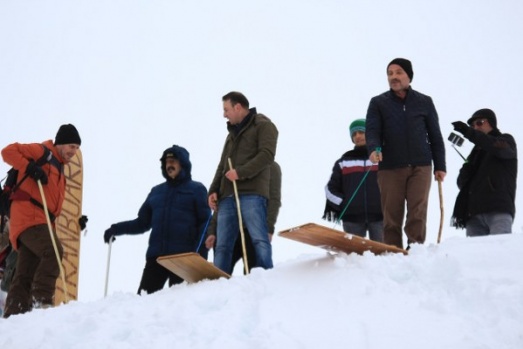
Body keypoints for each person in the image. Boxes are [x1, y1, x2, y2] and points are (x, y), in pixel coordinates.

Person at [104, 145, 210, 295]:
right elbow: (142, 223)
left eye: (173, 161)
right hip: (157, 257)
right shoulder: (156, 192)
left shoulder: (197, 189)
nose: (169, 165)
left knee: (180, 304)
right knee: (143, 300)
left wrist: (198, 256)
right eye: (166, 162)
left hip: (184, 258)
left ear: (183, 164)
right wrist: (116, 229)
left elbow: (205, 223)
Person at [365, 58, 446, 249]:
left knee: (417, 213)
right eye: (390, 73)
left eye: (398, 72)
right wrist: (374, 149)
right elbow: (372, 131)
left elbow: (435, 136)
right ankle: (392, 253)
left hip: (421, 165)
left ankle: (415, 251)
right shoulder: (378, 103)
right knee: (391, 215)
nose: (394, 77)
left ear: (409, 76)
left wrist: (440, 166)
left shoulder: (424, 102)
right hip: (390, 167)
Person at [2, 124, 81, 318]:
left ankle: (14, 315)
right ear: (60, 143)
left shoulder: (61, 171)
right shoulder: (42, 152)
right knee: (54, 250)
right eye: (71, 146)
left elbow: (51, 212)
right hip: (28, 216)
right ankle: (42, 302)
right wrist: (30, 167)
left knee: (26, 271)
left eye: (77, 148)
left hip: (39, 221)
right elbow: (7, 152)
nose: (74, 152)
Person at [208, 91, 278, 275]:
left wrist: (240, 173)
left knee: (258, 239)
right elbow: (222, 165)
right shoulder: (230, 134)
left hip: (252, 193)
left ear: (238, 107)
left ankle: (265, 277)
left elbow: (267, 155)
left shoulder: (264, 126)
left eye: (226, 109)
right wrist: (213, 190)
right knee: (222, 244)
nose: (224, 114)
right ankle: (218, 280)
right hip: (227, 196)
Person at [206, 161, 282, 274]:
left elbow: (274, 199)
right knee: (220, 275)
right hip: (230, 230)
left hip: (252, 231)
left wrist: (268, 227)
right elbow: (223, 201)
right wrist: (212, 231)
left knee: (255, 274)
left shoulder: (270, 166)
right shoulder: (231, 165)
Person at [451, 109, 517, 236]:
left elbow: (496, 147)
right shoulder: (475, 153)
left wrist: (468, 132)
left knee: (499, 252)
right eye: (472, 125)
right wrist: (467, 166)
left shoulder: (505, 141)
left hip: (498, 209)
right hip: (473, 215)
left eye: (479, 123)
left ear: (491, 123)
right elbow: (461, 183)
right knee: (475, 255)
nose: (475, 127)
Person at [323, 119, 383, 242]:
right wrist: (344, 203)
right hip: (352, 218)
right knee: (352, 258)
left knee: (385, 256)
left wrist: (390, 204)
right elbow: (329, 189)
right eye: (354, 134)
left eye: (361, 132)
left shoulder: (382, 158)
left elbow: (395, 184)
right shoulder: (344, 162)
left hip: (381, 217)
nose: (358, 136)